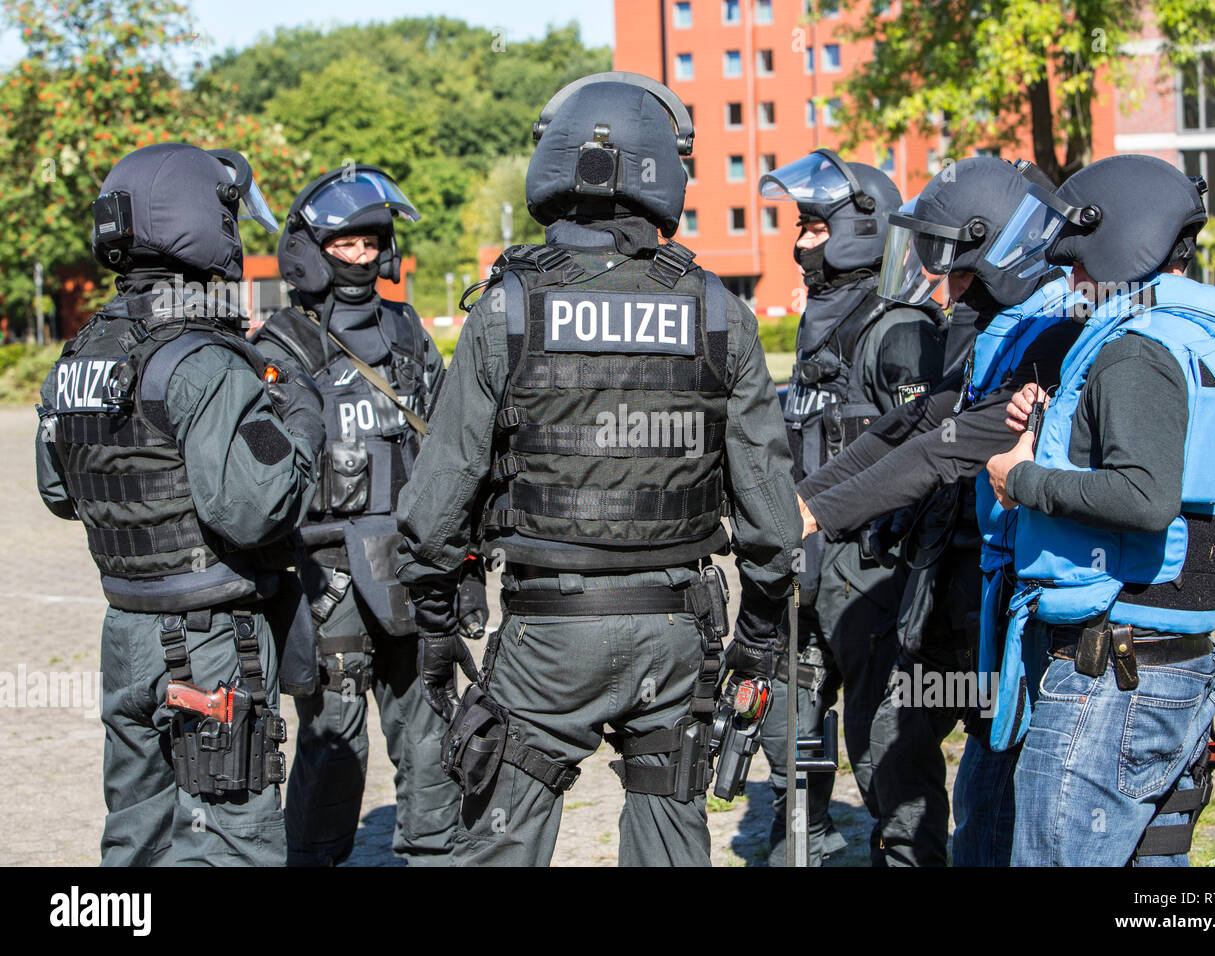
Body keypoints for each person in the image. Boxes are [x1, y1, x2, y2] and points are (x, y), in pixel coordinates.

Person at [394, 71, 801, 867]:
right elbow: (773, 525)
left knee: (498, 842)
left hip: (549, 632)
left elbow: (436, 506)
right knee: (671, 836)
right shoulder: (719, 311)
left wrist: (437, 630)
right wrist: (755, 641)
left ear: (553, 168)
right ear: (664, 174)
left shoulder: (505, 308)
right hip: (680, 630)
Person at [984, 154, 1215, 865]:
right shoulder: (1201, 343)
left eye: (1079, 265)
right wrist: (1061, 419)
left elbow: (1145, 497)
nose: (1072, 283)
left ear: (1122, 241)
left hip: (1107, 683)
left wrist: (1022, 479)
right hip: (1172, 670)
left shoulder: (1135, 351)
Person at [34, 142, 325, 865]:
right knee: (233, 842)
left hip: (125, 631)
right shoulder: (202, 358)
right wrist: (303, 420)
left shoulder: (83, 352)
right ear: (202, 221)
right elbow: (255, 510)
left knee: (137, 836)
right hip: (210, 640)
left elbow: (56, 492)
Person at [795, 157, 1085, 865]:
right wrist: (801, 499)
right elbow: (920, 422)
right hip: (966, 598)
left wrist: (820, 518)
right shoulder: (1002, 329)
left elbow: (941, 453)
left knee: (999, 822)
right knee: (919, 765)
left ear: (1001, 258)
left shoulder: (1052, 338)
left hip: (1031, 614)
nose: (948, 290)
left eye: (961, 272)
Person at [251, 166, 484, 866]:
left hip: (414, 566)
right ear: (311, 251)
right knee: (333, 741)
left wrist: (466, 561)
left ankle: (434, 853)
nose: (359, 257)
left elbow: (451, 446)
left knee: (429, 722)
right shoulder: (279, 346)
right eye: (344, 243)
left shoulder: (409, 331)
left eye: (370, 243)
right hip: (326, 577)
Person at [754, 150, 946, 865]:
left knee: (885, 748)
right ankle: (800, 851)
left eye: (811, 225)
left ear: (857, 227)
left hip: (872, 577)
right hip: (800, 569)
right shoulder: (816, 324)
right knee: (791, 743)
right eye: (798, 226)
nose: (798, 240)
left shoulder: (898, 327)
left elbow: (937, 454)